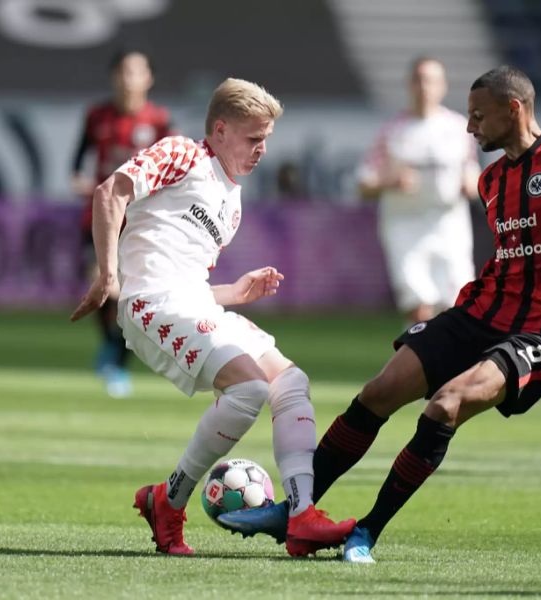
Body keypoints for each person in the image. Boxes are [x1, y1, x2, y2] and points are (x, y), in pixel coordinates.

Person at [216, 66, 541, 564]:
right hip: (478, 312)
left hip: (540, 331)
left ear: (513, 110)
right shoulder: (493, 179)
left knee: (445, 405)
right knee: (377, 393)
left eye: (479, 116)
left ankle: (366, 532)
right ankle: (296, 513)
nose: (469, 126)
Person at [70, 78, 355, 556]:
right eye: (253, 138)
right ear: (220, 130)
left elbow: (190, 281)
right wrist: (107, 275)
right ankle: (170, 501)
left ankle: (302, 514)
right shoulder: (183, 153)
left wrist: (235, 291)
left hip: (192, 302)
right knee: (249, 388)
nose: (263, 149)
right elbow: (108, 192)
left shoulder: (233, 200)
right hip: (150, 305)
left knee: (290, 382)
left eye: (266, 139)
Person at [71, 50, 173, 398]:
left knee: (133, 299)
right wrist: (80, 181)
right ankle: (111, 353)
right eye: (123, 71)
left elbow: (174, 169)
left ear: (149, 78)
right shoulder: (96, 116)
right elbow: (78, 159)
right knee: (102, 289)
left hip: (140, 224)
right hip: (99, 218)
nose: (129, 78)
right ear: (114, 76)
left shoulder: (159, 121)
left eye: (136, 71)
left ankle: (116, 360)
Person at [358, 56, 481, 325]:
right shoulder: (393, 131)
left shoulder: (459, 128)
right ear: (410, 85)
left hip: (449, 227)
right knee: (419, 308)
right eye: (419, 80)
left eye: (432, 80)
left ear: (443, 86)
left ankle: (449, 366)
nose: (425, 87)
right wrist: (390, 181)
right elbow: (363, 184)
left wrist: (472, 185)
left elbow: (472, 173)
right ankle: (418, 365)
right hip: (405, 227)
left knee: (456, 307)